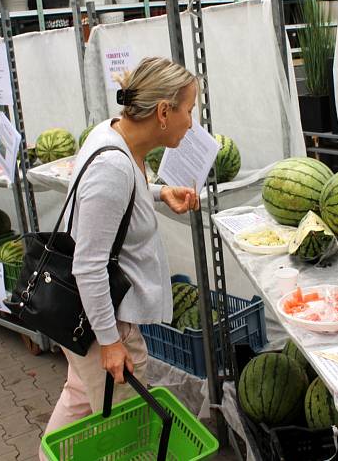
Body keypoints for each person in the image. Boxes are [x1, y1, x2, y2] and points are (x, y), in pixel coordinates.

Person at [39, 57, 199, 458]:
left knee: (78, 404)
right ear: (163, 112)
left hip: (90, 325)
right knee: (127, 439)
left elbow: (116, 205)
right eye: (189, 111)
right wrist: (111, 343)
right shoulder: (113, 166)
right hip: (108, 328)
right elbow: (88, 264)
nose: (191, 124)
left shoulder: (112, 135)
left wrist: (160, 193)